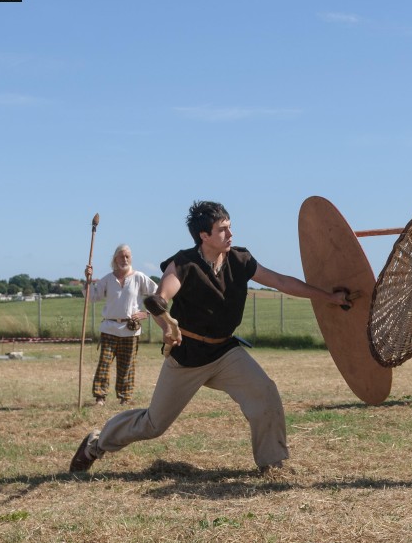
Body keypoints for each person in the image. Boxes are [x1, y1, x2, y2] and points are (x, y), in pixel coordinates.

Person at [71, 200, 351, 476]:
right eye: (222, 230)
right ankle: (96, 445)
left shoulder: (241, 260)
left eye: (230, 228)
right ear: (204, 235)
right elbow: (159, 299)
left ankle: (273, 463)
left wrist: (329, 297)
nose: (230, 235)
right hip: (187, 356)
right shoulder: (184, 263)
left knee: (264, 392)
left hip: (225, 353)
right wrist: (165, 320)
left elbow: (282, 282)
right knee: (153, 425)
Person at [85, 244, 158, 406]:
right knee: (104, 363)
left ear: (130, 258)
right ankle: (100, 397)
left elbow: (159, 294)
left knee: (127, 365)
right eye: (121, 256)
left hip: (130, 329)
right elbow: (92, 297)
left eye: (127, 256)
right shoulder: (107, 279)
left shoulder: (139, 278)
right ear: (115, 258)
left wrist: (147, 313)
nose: (124, 259)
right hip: (109, 328)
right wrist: (88, 281)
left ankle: (125, 397)